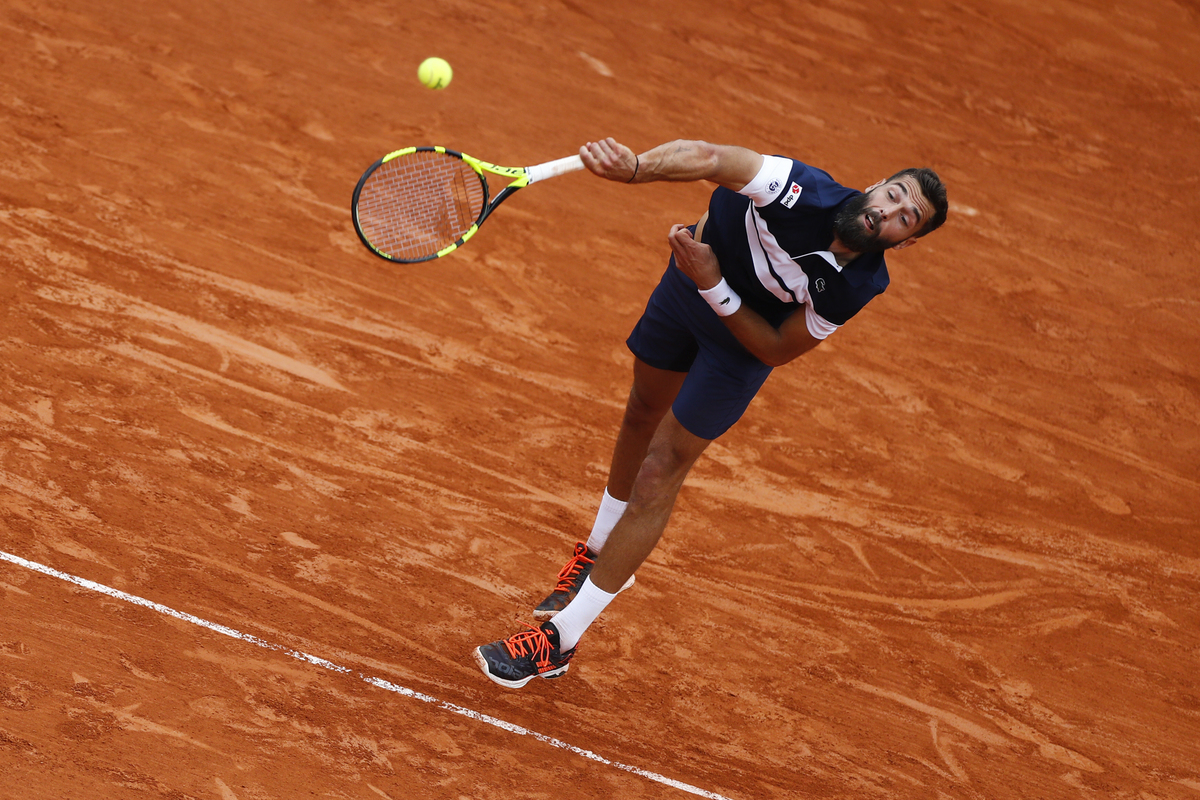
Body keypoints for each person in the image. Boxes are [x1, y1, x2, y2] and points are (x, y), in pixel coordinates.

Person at [473, 137, 948, 688]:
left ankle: (560, 641)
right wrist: (637, 169)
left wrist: (714, 283)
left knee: (660, 470)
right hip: (686, 289)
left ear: (906, 241)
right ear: (875, 186)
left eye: (904, 217)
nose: (887, 211)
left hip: (740, 343)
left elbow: (776, 348)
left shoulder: (858, 284)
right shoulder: (800, 189)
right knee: (641, 409)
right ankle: (597, 552)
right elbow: (710, 158)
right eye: (893, 195)